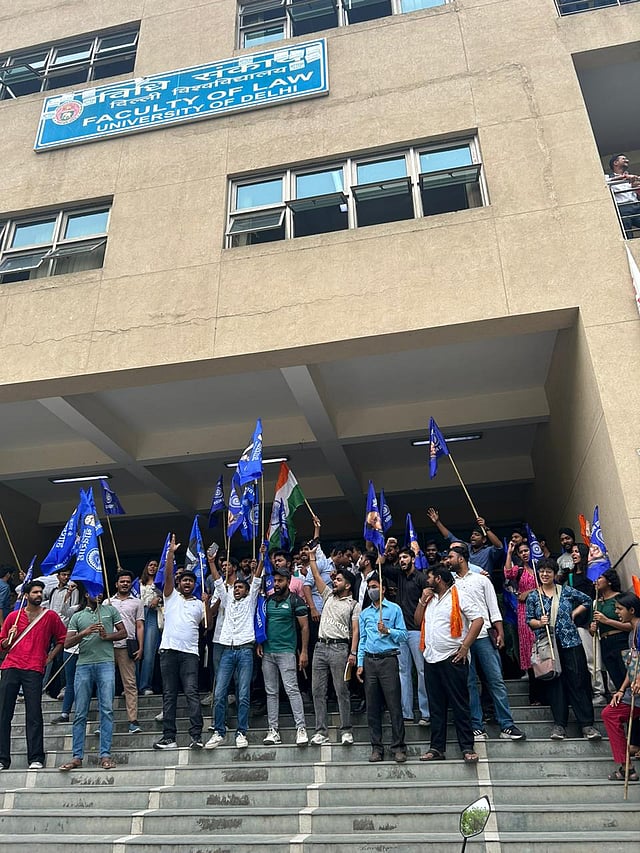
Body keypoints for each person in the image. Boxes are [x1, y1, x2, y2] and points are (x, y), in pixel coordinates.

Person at [447, 545, 525, 742]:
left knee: (496, 680)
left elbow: (493, 607)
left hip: (483, 635)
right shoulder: (450, 584)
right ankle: (476, 726)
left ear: (462, 559)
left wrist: (500, 632)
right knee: (469, 683)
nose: (448, 560)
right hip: (461, 640)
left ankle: (506, 725)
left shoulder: (482, 579)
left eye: (451, 557)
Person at [415, 565, 484, 764]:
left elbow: (478, 620)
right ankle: (437, 748)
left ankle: (467, 747)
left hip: (453, 658)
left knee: (460, 705)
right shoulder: (428, 600)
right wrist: (421, 600)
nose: (426, 581)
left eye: (429, 577)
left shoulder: (459, 595)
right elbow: (417, 621)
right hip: (431, 658)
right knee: (436, 706)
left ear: (438, 578)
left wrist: (464, 647)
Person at [526, 558, 601, 741]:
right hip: (548, 645)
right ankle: (560, 725)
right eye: (542, 571)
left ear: (554, 573)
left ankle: (587, 725)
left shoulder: (566, 591)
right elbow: (529, 620)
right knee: (554, 684)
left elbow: (586, 599)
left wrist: (574, 613)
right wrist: (539, 622)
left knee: (578, 681)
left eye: (548, 571)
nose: (545, 574)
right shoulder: (534, 596)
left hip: (571, 642)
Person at [153, 534, 215, 751]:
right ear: (178, 583)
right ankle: (169, 737)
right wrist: (170, 554)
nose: (187, 582)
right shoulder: (170, 596)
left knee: (191, 693)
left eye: (191, 580)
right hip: (168, 652)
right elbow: (168, 574)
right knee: (169, 695)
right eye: (184, 580)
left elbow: (207, 625)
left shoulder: (199, 604)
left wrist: (207, 603)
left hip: (190, 655)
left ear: (194, 584)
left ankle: (196, 736)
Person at [0, 580, 66, 769]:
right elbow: (2, 644)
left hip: (34, 668)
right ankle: (2, 758)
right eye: (35, 592)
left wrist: (50, 657)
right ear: (26, 595)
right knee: (4, 713)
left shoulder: (50, 616)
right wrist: (7, 640)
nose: (39, 595)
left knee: (34, 714)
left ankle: (36, 757)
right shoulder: (13, 616)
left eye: (40, 592)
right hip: (11, 666)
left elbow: (62, 639)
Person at [59, 587, 126, 771]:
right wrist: (85, 632)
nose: (98, 594)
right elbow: (67, 643)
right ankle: (76, 757)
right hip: (83, 665)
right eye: (93, 591)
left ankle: (105, 755)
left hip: (106, 663)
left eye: (100, 591)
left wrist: (107, 636)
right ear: (86, 594)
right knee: (80, 712)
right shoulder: (77, 616)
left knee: (107, 710)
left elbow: (123, 633)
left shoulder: (110, 610)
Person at [205, 547, 264, 749]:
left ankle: (241, 731)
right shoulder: (227, 598)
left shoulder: (251, 601)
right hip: (227, 650)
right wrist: (211, 562)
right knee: (220, 692)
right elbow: (218, 582)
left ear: (247, 591)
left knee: (244, 692)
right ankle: (219, 732)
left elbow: (256, 580)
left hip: (246, 649)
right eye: (235, 587)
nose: (237, 589)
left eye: (241, 587)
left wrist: (262, 557)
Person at [307, 545, 360, 746]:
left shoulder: (354, 605)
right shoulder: (328, 595)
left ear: (347, 585)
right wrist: (312, 558)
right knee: (317, 691)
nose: (334, 582)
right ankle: (321, 731)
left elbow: (355, 630)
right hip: (320, 647)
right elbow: (316, 577)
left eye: (338, 580)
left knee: (341, 690)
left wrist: (353, 652)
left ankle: (346, 730)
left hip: (340, 648)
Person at [356, 569, 408, 763]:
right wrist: (360, 663)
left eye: (375, 587)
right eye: (369, 588)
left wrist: (388, 631)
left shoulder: (394, 609)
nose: (372, 591)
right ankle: (376, 747)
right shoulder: (365, 614)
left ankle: (398, 747)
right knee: (372, 706)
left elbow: (403, 635)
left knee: (394, 705)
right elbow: (362, 639)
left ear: (383, 589)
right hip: (370, 661)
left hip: (388, 660)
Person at [259, 562, 309, 746]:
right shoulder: (268, 601)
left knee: (292, 690)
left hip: (287, 652)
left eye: (280, 580)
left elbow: (304, 627)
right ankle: (273, 730)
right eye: (274, 581)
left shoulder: (296, 600)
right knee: (271, 692)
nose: (276, 583)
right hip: (268, 653)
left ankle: (301, 728)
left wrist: (303, 652)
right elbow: (262, 625)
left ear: (288, 581)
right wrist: (260, 643)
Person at [383, 547, 430, 725]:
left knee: (421, 671)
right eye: (400, 558)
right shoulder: (399, 575)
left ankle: (426, 713)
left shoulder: (421, 578)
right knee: (403, 672)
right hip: (400, 632)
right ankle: (406, 713)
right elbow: (381, 564)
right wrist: (383, 540)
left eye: (405, 557)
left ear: (413, 558)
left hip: (417, 630)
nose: (402, 560)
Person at [601, 592, 640, 782]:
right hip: (634, 690)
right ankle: (627, 767)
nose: (616, 612)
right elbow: (632, 666)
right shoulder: (632, 633)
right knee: (610, 713)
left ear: (631, 610)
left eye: (619, 609)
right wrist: (621, 690)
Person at [504, 540, 544, 704]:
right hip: (524, 613)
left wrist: (531, 591)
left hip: (541, 610)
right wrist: (509, 553)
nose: (524, 554)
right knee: (530, 649)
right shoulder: (519, 570)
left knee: (544, 647)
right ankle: (534, 695)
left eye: (526, 550)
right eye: (521, 552)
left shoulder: (540, 567)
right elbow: (507, 574)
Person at [568, 543, 604, 702]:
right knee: (582, 661)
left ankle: (599, 692)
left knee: (593, 659)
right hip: (575, 624)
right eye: (572, 552)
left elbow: (593, 599)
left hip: (590, 622)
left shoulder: (592, 575)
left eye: (577, 551)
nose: (573, 554)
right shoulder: (569, 577)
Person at [110, 570, 144, 734]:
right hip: (108, 647)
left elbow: (139, 625)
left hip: (127, 645)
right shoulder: (107, 602)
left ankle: (133, 721)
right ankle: (105, 722)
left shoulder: (137, 602)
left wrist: (141, 646)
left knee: (130, 684)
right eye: (122, 581)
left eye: (127, 581)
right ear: (116, 584)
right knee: (106, 686)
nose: (125, 583)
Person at [591, 568, 631, 694]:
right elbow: (593, 631)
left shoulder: (620, 599)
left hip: (621, 641)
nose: (595, 582)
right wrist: (592, 629)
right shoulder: (596, 603)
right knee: (616, 678)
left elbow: (632, 624)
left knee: (628, 675)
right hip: (605, 643)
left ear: (609, 581)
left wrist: (607, 621)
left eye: (599, 578)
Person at [42, 568, 80, 699]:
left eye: (68, 575)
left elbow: (72, 610)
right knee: (50, 657)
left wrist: (68, 595)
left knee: (62, 659)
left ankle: (64, 688)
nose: (66, 577)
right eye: (63, 575)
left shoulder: (73, 589)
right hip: (51, 628)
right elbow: (51, 609)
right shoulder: (53, 590)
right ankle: (44, 688)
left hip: (65, 628)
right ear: (58, 576)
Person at [427, 508, 503, 573]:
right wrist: (437, 522)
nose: (473, 536)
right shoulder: (465, 547)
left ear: (484, 540)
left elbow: (499, 546)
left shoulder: (488, 551)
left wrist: (485, 527)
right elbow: (450, 537)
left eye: (477, 535)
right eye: (473, 534)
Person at [137, 559, 162, 696]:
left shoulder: (160, 584)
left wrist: (158, 598)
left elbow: (167, 596)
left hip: (152, 615)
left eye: (156, 566)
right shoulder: (138, 583)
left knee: (149, 652)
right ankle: (131, 685)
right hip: (137, 616)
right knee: (134, 650)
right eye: (151, 565)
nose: (153, 567)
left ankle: (145, 685)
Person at [606, 153, 640, 238]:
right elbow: (606, 183)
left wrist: (635, 186)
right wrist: (625, 177)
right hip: (623, 207)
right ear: (615, 163)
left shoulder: (633, 177)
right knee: (627, 233)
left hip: (636, 205)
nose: (627, 160)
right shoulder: (607, 177)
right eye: (623, 159)